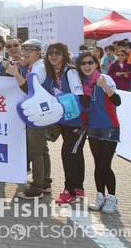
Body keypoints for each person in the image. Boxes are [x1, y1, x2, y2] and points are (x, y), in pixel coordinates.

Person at [6, 38, 52, 199]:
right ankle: (45, 183)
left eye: (30, 50)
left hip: (37, 114)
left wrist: (15, 74)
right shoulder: (35, 66)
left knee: (35, 152)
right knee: (42, 150)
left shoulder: (38, 69)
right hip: (37, 112)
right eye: (24, 50)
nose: (26, 53)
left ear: (38, 53)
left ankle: (37, 188)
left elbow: (29, 89)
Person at [76, 51, 121, 213]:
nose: (87, 66)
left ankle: (112, 197)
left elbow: (117, 101)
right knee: (97, 164)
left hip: (109, 127)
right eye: (83, 63)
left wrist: (106, 87)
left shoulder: (105, 79)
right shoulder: (81, 82)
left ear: (96, 64)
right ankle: (100, 196)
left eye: (90, 62)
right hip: (92, 128)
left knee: (104, 164)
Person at [42, 42, 86, 204]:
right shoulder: (53, 72)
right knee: (76, 154)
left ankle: (70, 191)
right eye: (51, 52)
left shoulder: (70, 71)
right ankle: (78, 188)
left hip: (77, 122)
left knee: (69, 154)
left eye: (58, 52)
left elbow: (79, 97)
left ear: (64, 55)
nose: (53, 55)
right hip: (65, 121)